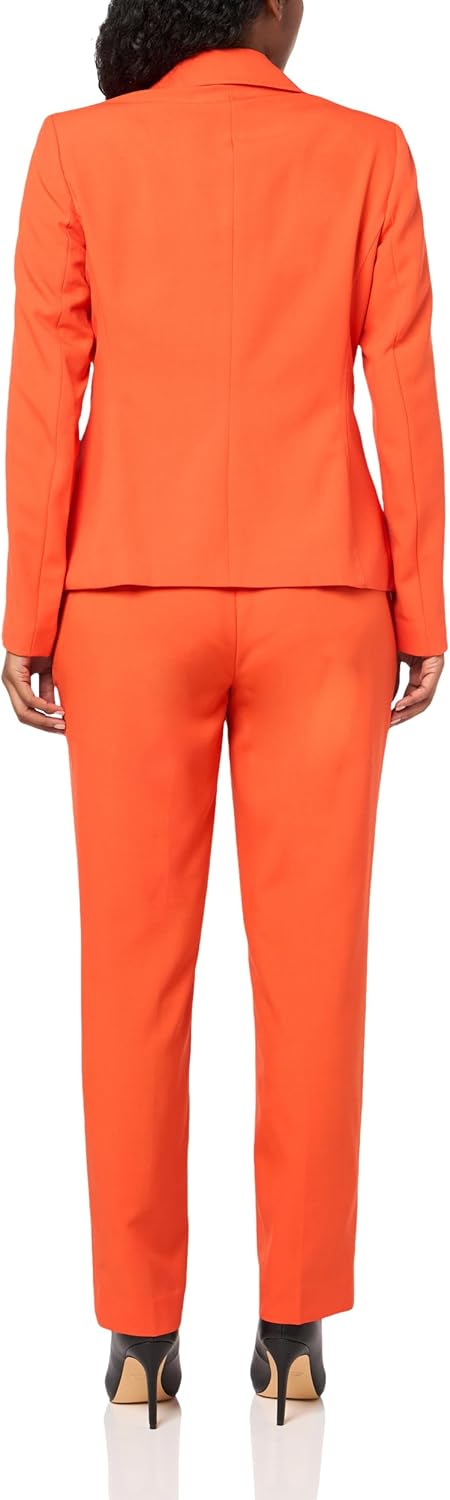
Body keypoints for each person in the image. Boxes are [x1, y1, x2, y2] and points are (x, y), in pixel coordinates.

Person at [1, 0, 446, 1431]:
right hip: (327, 594)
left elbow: (45, 394)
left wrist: (26, 611)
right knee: (315, 974)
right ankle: (293, 1331)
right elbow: (402, 389)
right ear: (272, 9)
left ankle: (138, 1344)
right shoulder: (369, 153)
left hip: (128, 595)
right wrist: (423, 605)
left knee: (132, 976)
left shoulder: (77, 152)